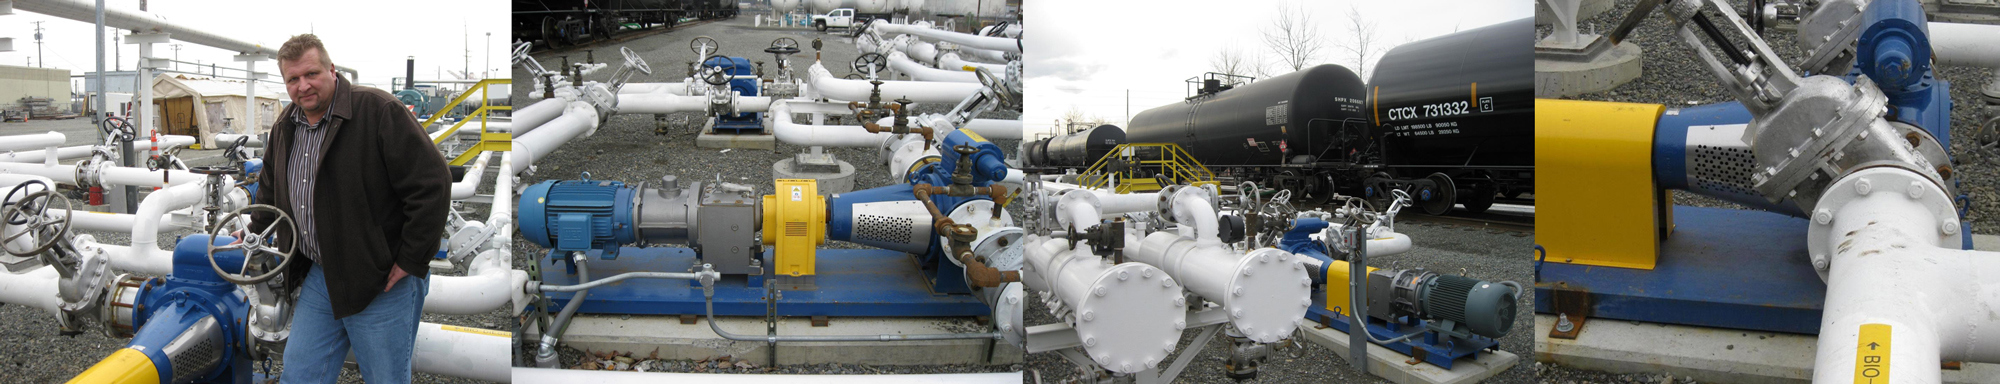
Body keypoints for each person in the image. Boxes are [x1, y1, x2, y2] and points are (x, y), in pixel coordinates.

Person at [251, 33, 451, 383]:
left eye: (311, 74)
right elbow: (269, 191)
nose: (303, 86)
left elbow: (432, 183)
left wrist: (412, 259)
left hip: (381, 277)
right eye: (293, 79)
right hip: (320, 273)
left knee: (385, 377)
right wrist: (254, 231)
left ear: (331, 70)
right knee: (300, 373)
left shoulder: (378, 111)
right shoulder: (285, 126)